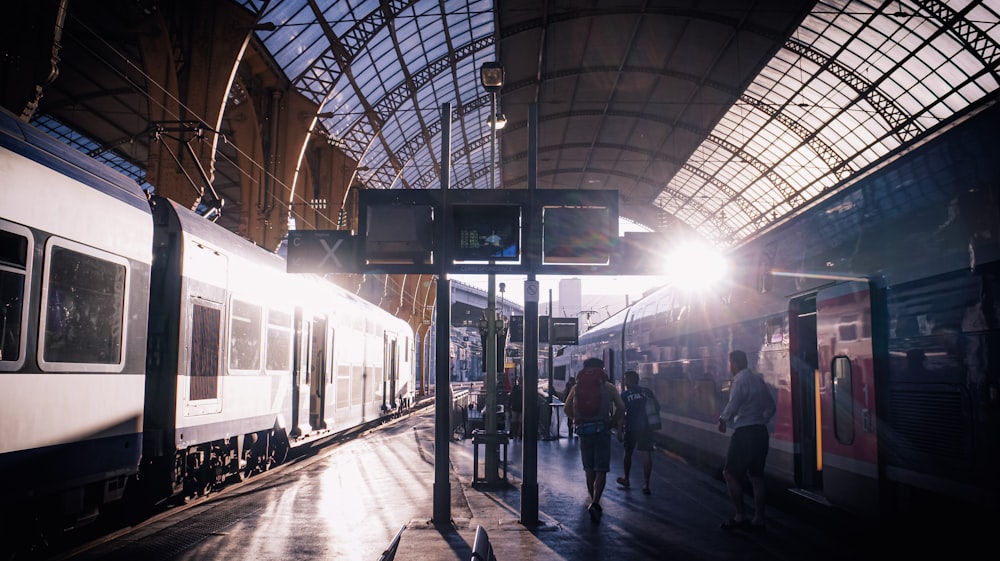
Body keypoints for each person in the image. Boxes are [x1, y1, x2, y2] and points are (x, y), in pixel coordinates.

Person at [717, 350, 776, 533]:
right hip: (760, 432)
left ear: (734, 363)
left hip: (744, 433)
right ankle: (759, 518)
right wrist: (762, 419)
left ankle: (740, 516)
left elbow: (733, 405)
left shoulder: (739, 381)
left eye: (730, 363)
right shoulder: (758, 379)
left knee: (729, 473)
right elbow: (771, 406)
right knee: (757, 477)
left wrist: (723, 419)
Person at [564, 358, 625, 523]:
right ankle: (596, 502)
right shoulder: (609, 387)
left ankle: (592, 498)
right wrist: (613, 422)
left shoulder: (577, 387)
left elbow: (566, 408)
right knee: (601, 469)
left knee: (589, 468)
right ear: (601, 370)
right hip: (602, 431)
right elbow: (621, 407)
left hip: (584, 431)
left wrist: (577, 420)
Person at [616, 370, 659, 495]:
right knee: (646, 453)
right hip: (646, 428)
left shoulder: (624, 395)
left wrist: (619, 430)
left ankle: (626, 479)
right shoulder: (647, 392)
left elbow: (621, 415)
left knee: (628, 453)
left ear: (629, 381)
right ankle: (646, 484)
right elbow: (656, 407)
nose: (624, 382)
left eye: (625, 379)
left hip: (631, 428)